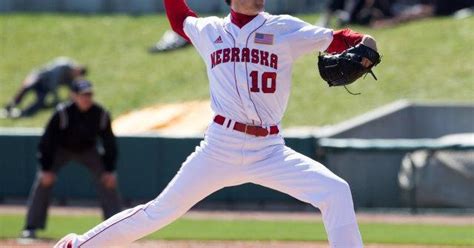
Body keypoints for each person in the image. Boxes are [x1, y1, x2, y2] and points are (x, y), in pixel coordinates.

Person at [54, 0, 379, 247]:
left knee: (335, 191)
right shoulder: (209, 30)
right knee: (159, 212)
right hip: (220, 147)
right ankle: (77, 244)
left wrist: (365, 42)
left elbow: (338, 39)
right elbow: (180, 20)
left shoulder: (283, 28)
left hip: (270, 150)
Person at [21, 80, 121, 240]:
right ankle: (31, 227)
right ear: (73, 96)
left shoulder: (100, 113)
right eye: (83, 94)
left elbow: (109, 143)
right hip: (61, 149)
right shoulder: (62, 113)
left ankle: (117, 228)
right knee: (43, 181)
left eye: (89, 94)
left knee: (107, 180)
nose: (86, 98)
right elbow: (47, 142)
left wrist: (110, 170)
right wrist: (46, 168)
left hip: (89, 150)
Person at [2, 57, 87, 118]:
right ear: (77, 68)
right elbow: (53, 80)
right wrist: (56, 98)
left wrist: (68, 100)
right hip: (39, 77)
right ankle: (10, 106)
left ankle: (24, 114)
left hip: (45, 86)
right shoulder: (64, 65)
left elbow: (72, 90)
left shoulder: (71, 78)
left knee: (40, 102)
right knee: (26, 88)